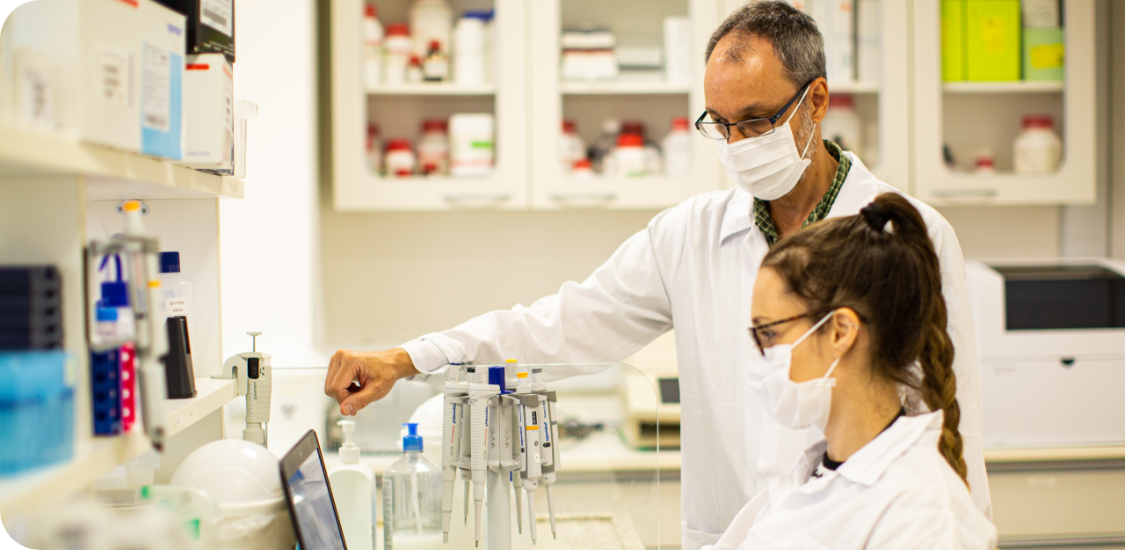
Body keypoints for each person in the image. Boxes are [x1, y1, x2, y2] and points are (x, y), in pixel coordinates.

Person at [324, 3, 991, 548]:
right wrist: (410, 357)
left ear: (815, 101)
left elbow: (953, 417)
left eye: (756, 121)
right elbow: (561, 326)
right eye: (719, 124)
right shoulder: (689, 235)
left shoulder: (909, 235)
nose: (736, 145)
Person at [704, 193, 996, 549]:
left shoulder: (924, 516)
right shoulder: (812, 476)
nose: (759, 354)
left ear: (841, 331)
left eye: (768, 333)